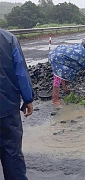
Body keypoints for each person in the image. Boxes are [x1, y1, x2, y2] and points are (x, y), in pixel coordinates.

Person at [0, 28, 34, 179]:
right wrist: (28, 98)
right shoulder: (8, 39)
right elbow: (20, 73)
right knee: (12, 154)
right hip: (6, 109)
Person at [48, 39, 85, 106]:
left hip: (57, 53)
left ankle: (65, 88)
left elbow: (75, 58)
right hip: (57, 59)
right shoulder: (84, 53)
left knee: (69, 71)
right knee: (58, 78)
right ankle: (55, 100)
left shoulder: (79, 46)